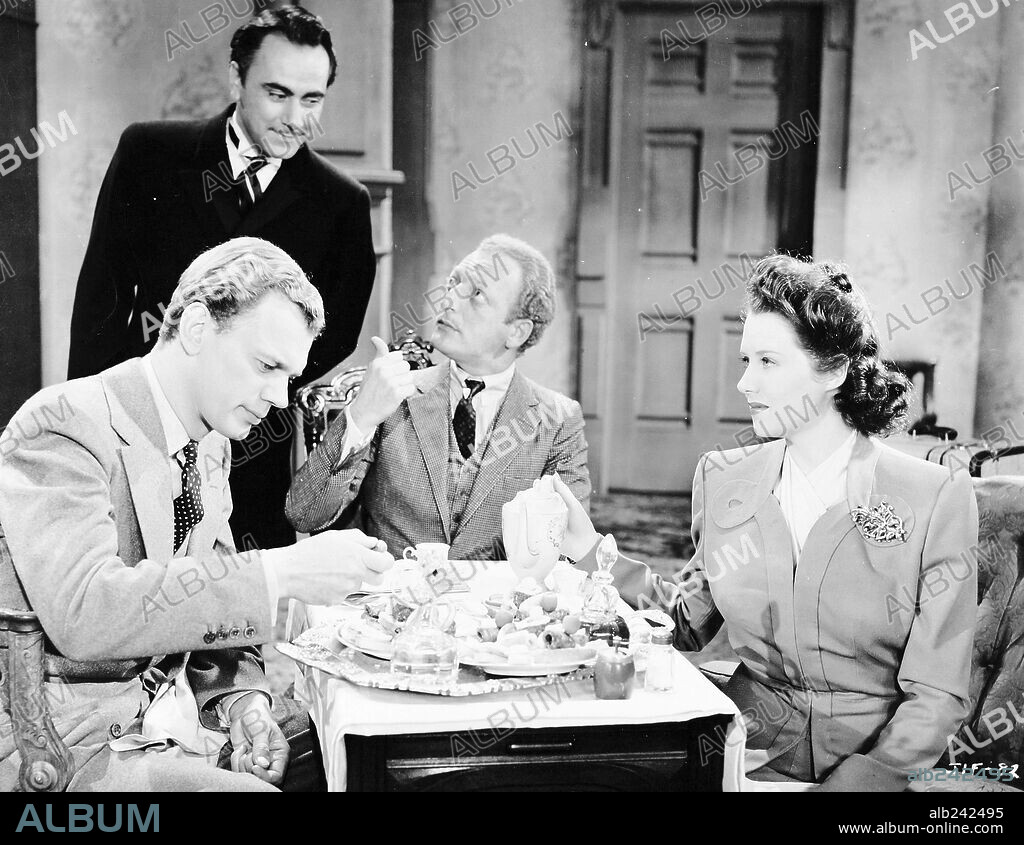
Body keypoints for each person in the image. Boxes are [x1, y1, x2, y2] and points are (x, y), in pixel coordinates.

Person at [551, 254, 978, 791]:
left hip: (876, 771)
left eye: (768, 362)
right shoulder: (723, 477)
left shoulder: (936, 496)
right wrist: (588, 547)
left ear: (835, 371)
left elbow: (937, 696)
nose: (744, 382)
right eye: (745, 360)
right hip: (743, 755)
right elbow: (685, 620)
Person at [0, 238, 394, 792]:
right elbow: (86, 612)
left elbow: (211, 602)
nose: (281, 398)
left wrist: (243, 704)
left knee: (364, 751)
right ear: (196, 328)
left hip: (160, 719)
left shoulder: (211, 443)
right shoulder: (62, 424)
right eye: (267, 365)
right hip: (61, 744)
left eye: (289, 377)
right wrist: (280, 572)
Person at [67, 5, 376, 551]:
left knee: (238, 594)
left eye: (312, 99)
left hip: (252, 448)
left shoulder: (342, 203)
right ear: (237, 78)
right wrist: (95, 417)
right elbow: (102, 297)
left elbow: (338, 332)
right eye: (277, 94)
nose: (296, 118)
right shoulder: (149, 154)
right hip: (134, 428)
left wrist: (253, 383)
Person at [285, 234, 591, 561]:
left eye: (476, 294)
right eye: (453, 283)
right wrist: (361, 415)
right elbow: (304, 515)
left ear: (517, 332)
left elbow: (570, 551)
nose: (449, 300)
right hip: (393, 592)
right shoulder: (394, 393)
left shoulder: (558, 420)